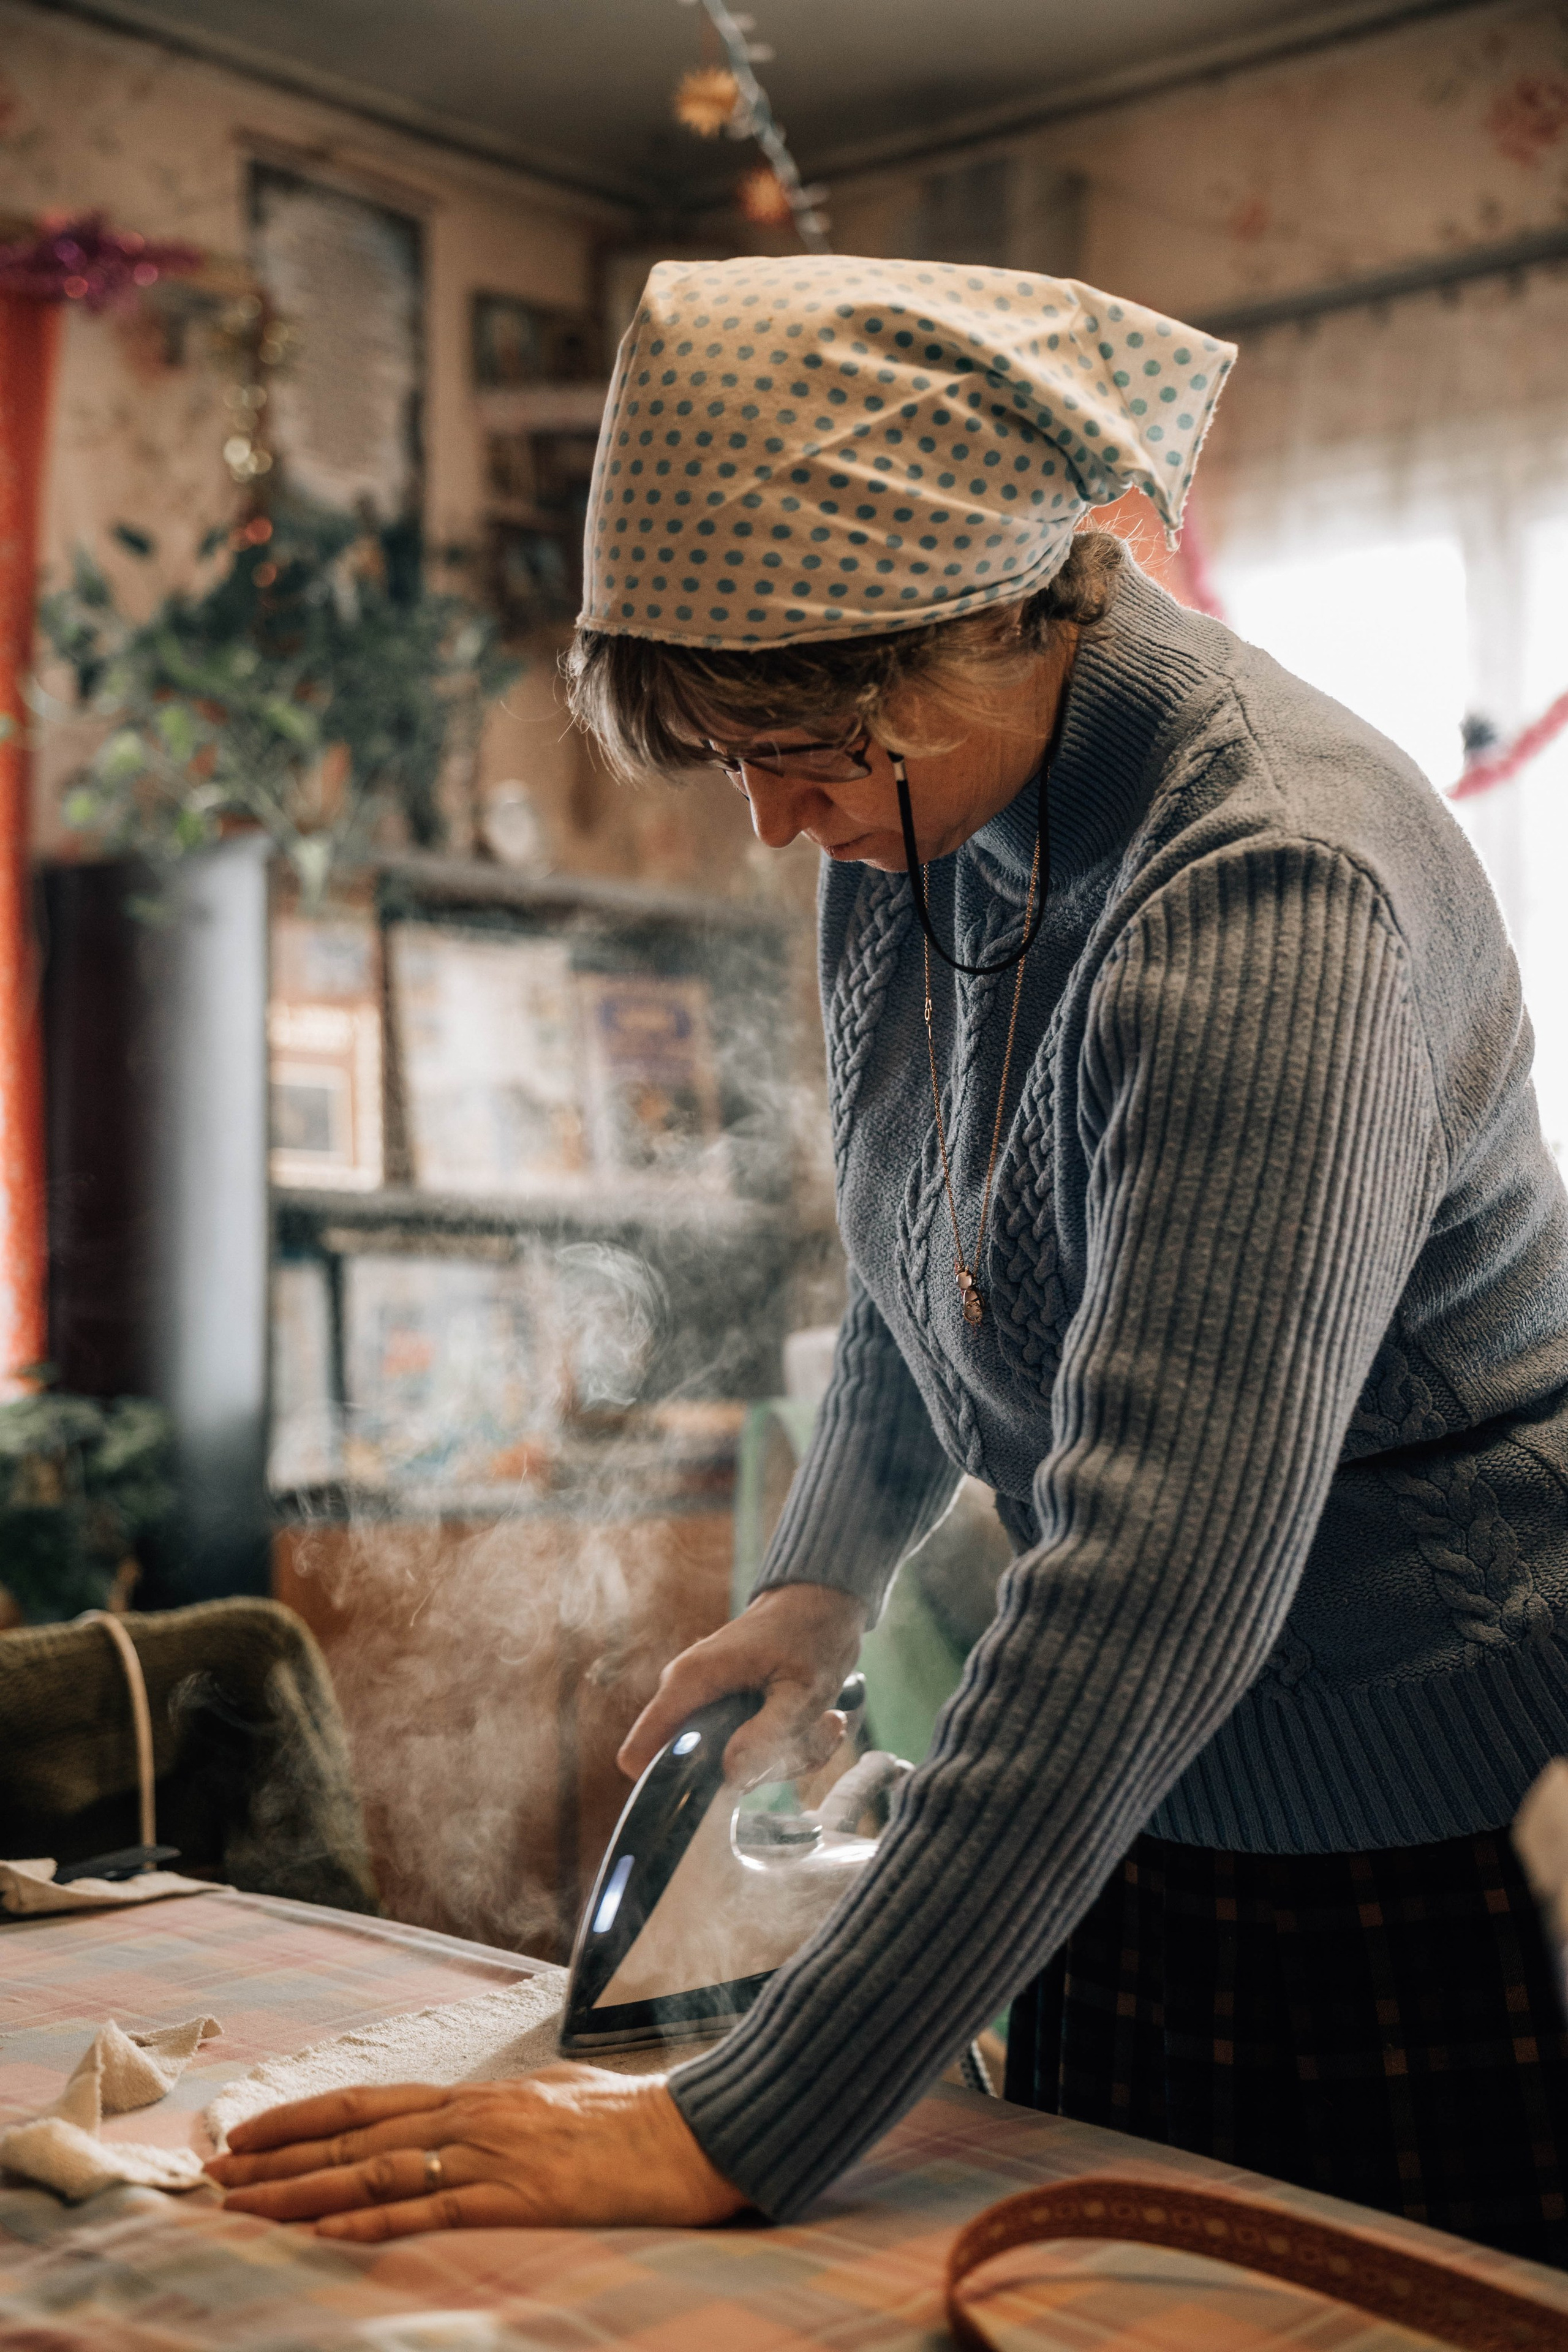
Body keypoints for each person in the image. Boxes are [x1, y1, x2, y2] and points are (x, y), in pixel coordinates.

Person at [209, 255, 1568, 2262]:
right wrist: (818, 1581)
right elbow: (942, 1257)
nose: (773, 826)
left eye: (807, 753)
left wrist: (732, 2127)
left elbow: (1154, 1582)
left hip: (1425, 1809)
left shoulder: (1273, 899)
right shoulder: (939, 819)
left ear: (1004, 616)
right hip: (1156, 1800)